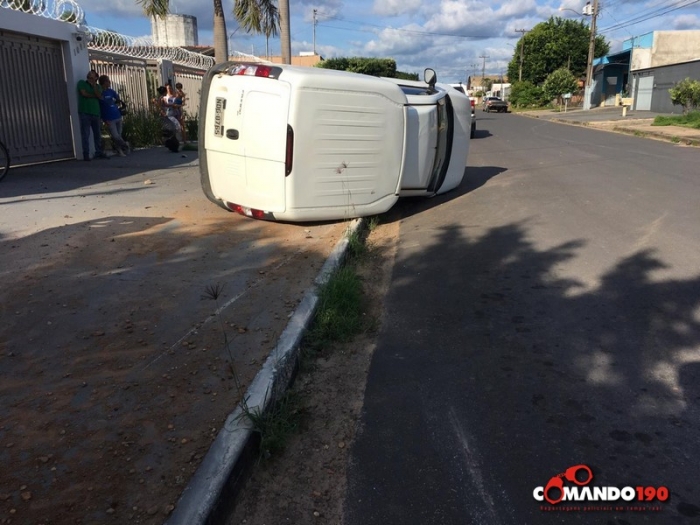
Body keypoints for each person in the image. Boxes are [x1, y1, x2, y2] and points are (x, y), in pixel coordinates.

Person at [77, 70, 109, 160]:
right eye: (90, 73)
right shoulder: (82, 83)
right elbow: (84, 93)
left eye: (93, 74)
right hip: (85, 112)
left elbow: (99, 95)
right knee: (85, 134)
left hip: (95, 113)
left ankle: (98, 152)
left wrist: (94, 85)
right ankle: (86, 154)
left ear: (95, 77)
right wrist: (94, 96)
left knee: (97, 134)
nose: (90, 74)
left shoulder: (98, 86)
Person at [97, 75, 130, 156]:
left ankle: (120, 150)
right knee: (115, 136)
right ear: (104, 82)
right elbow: (101, 106)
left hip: (117, 115)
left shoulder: (111, 91)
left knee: (119, 134)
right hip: (109, 118)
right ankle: (126, 145)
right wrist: (104, 119)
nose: (109, 82)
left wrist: (119, 104)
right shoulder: (100, 93)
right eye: (108, 81)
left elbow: (118, 99)